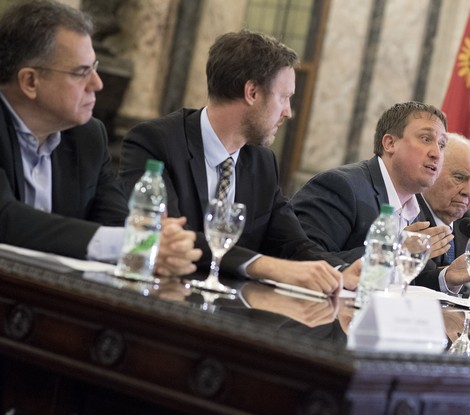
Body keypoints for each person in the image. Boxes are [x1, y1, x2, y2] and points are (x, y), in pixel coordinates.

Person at [120, 30, 359, 295]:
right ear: (252, 92)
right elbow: (174, 240)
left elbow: (293, 243)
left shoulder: (262, 162)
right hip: (161, 299)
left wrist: (340, 271)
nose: (288, 112)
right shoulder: (154, 142)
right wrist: (265, 266)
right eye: (284, 97)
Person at [0, 0, 199, 277]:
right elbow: (6, 219)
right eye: (81, 72)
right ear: (30, 82)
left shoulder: (86, 136)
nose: (97, 84)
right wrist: (131, 243)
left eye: (94, 67)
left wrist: (157, 242)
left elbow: (115, 223)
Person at [291, 101, 453, 265]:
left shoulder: (418, 209)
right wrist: (392, 251)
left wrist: (446, 278)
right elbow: (305, 259)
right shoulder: (341, 187)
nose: (437, 154)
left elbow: (412, 277)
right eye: (425, 139)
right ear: (390, 143)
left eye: (442, 145)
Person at [415, 132, 470, 293]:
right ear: (432, 170)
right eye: (459, 177)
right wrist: (446, 278)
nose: (468, 191)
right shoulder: (408, 214)